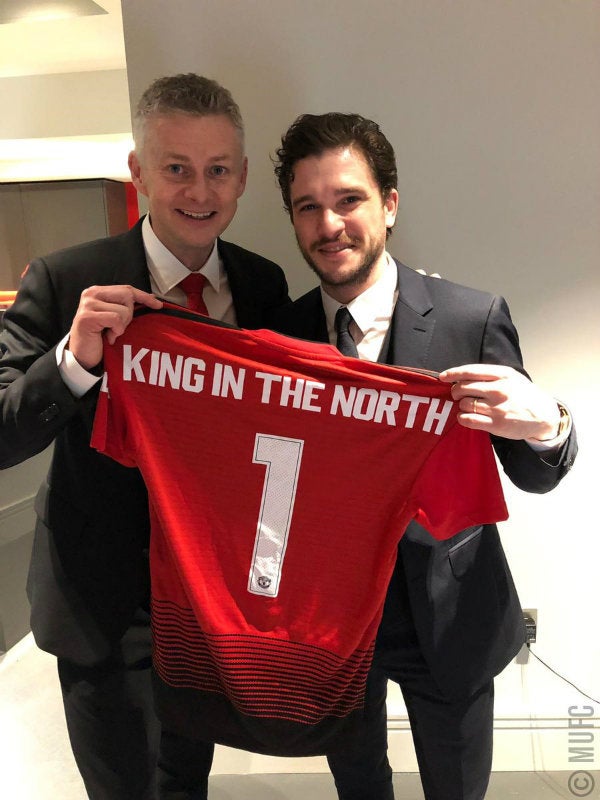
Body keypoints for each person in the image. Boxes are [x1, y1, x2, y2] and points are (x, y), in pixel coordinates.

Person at [270, 112, 577, 800]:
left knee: (457, 787)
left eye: (349, 199)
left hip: (451, 614)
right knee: (358, 783)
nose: (329, 225)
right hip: (333, 621)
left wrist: (549, 422)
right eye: (307, 207)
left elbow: (534, 472)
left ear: (390, 203)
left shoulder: (471, 318)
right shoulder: (278, 336)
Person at [0, 73, 288, 800]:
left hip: (207, 601)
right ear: (139, 172)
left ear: (243, 177)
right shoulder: (67, 281)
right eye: (177, 168)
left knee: (186, 781)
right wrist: (73, 362)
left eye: (218, 170)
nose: (200, 191)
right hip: (102, 601)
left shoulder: (264, 286)